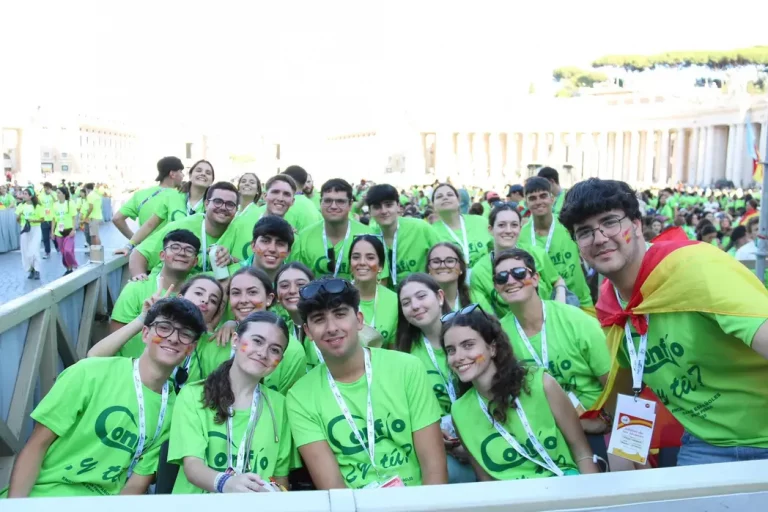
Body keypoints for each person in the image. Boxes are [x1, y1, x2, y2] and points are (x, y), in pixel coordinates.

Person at [560, 177, 768, 466]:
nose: (599, 238)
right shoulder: (610, 305)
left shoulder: (695, 267)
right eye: (584, 232)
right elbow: (630, 389)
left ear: (637, 224)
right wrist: (625, 482)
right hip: (704, 446)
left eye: (610, 222)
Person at [2, 297, 207, 498]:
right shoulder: (88, 373)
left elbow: (135, 485)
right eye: (164, 327)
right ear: (145, 333)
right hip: (44, 495)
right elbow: (37, 444)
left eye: (185, 334)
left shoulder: (174, 410)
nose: (173, 337)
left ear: (192, 347)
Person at [286, 277, 447, 489]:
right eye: (319, 319)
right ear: (307, 332)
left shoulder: (407, 368)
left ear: (360, 320)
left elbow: (434, 470)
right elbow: (333, 488)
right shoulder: (299, 396)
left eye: (340, 314)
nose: (331, 327)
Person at [441, 305, 599, 480]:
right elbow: (486, 482)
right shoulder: (460, 411)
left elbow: (582, 453)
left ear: (492, 348)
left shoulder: (541, 383)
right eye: (451, 350)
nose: (458, 357)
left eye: (468, 345)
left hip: (563, 488)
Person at [493, 249, 611, 445]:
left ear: (536, 278)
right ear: (497, 287)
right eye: (502, 277)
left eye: (519, 273)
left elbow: (614, 385)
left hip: (599, 426)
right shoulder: (499, 337)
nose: (511, 280)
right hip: (542, 434)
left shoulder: (575, 320)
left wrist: (606, 421)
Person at [168, 311, 293, 494]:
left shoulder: (280, 405)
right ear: (235, 340)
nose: (263, 353)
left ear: (279, 360)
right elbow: (192, 467)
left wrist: (276, 491)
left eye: (274, 350)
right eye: (257, 341)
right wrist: (226, 483)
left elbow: (280, 477)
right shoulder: (193, 395)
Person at [396, 273, 475, 483]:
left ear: (440, 297)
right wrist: (435, 434)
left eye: (421, 296)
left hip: (484, 429)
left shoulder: (471, 335)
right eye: (406, 302)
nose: (415, 305)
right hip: (439, 445)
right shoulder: (403, 355)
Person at [89, 275, 224, 391]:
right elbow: (94, 357)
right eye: (199, 293)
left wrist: (234, 323)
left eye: (213, 301)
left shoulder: (216, 343)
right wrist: (143, 318)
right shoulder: (153, 331)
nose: (205, 300)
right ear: (180, 297)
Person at [206, 267, 306, 394]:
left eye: (252, 292)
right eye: (236, 293)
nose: (243, 300)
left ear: (269, 299)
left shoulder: (293, 351)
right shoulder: (218, 342)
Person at [112, 229, 202, 358]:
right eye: (175, 247)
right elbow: (115, 333)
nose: (182, 253)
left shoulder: (200, 292)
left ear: (195, 261)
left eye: (189, 250)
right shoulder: (137, 287)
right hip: (134, 367)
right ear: (162, 255)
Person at [128, 182, 240, 279]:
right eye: (217, 201)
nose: (223, 207)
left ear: (236, 209)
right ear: (206, 204)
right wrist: (140, 284)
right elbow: (139, 254)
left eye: (230, 204)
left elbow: (247, 265)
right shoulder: (182, 227)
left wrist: (229, 260)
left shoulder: (240, 230)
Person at [470, 204, 564, 318]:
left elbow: (557, 281)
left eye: (514, 225)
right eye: (501, 225)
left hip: (550, 318)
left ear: (520, 228)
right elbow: (487, 315)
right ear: (490, 229)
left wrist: (559, 308)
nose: (508, 230)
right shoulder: (479, 271)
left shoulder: (538, 254)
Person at [518, 177, 593, 309]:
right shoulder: (521, 236)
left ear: (552, 199)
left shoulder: (568, 226)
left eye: (543, 196)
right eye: (532, 198)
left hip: (581, 302)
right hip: (545, 309)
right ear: (526, 202)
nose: (539, 201)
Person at [289, 178, 373, 280]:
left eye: (340, 201)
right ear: (320, 202)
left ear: (350, 205)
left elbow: (379, 281)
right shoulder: (303, 237)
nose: (333, 206)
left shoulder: (368, 236)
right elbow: (296, 280)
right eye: (328, 201)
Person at [365, 184, 439, 287]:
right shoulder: (368, 237)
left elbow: (443, 254)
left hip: (420, 297)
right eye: (377, 207)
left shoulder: (420, 228)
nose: (384, 211)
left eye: (388, 205)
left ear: (398, 206)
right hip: (385, 299)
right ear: (369, 211)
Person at [113, 156, 185, 245]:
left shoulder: (140, 194)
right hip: (169, 250)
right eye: (181, 171)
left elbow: (117, 218)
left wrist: (136, 240)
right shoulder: (178, 196)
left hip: (145, 251)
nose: (183, 175)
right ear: (172, 174)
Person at [348, 234, 399, 347]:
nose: (362, 262)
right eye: (356, 257)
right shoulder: (337, 298)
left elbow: (393, 351)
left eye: (370, 257)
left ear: (380, 266)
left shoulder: (394, 301)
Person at [274, 262, 322, 372]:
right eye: (284, 286)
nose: (292, 290)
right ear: (276, 296)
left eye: (300, 284)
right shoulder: (280, 333)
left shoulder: (332, 326)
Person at [430, 183, 492, 268]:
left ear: (458, 200)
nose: (445, 197)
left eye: (450, 194)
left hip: (485, 279)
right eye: (439, 197)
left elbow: (497, 250)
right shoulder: (430, 232)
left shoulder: (481, 222)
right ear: (433, 205)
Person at [233, 215, 294, 281]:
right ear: (253, 246)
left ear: (288, 252)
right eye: (265, 241)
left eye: (280, 244)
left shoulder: (296, 284)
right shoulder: (230, 277)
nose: (272, 249)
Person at [426, 242, 471, 311]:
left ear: (461, 268)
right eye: (436, 262)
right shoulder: (422, 303)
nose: (443, 266)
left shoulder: (476, 297)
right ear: (428, 269)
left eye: (450, 261)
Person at [16, 188, 43, 280]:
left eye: (26, 194)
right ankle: (30, 269)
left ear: (31, 196)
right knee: (25, 250)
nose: (23, 195)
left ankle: (37, 270)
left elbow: (42, 219)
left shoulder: (37, 206)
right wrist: (19, 217)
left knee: (34, 250)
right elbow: (18, 220)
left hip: (35, 229)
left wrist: (33, 220)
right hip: (25, 229)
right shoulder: (21, 206)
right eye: (23, 193)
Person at [52, 186, 78, 275]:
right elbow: (53, 219)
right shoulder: (55, 205)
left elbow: (74, 217)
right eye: (56, 193)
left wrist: (74, 229)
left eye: (59, 192)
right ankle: (68, 268)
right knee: (63, 251)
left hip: (69, 230)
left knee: (68, 250)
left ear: (63, 194)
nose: (57, 194)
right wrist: (52, 232)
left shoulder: (70, 203)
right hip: (58, 231)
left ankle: (73, 264)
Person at [39, 182, 56, 259]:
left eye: (48, 188)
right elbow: (38, 205)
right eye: (45, 187)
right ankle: (47, 252)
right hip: (44, 219)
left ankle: (57, 246)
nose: (46, 189)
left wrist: (51, 194)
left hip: (53, 218)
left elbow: (57, 201)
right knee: (45, 238)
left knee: (54, 235)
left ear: (50, 188)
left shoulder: (54, 194)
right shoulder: (41, 195)